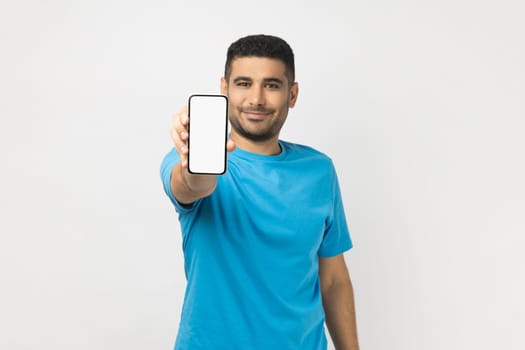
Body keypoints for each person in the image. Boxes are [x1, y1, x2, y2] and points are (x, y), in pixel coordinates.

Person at [161, 34, 359, 350]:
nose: (256, 99)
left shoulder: (319, 170)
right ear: (224, 88)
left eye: (271, 85)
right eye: (243, 83)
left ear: (292, 94)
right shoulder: (191, 159)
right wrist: (196, 164)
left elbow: (333, 278)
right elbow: (193, 186)